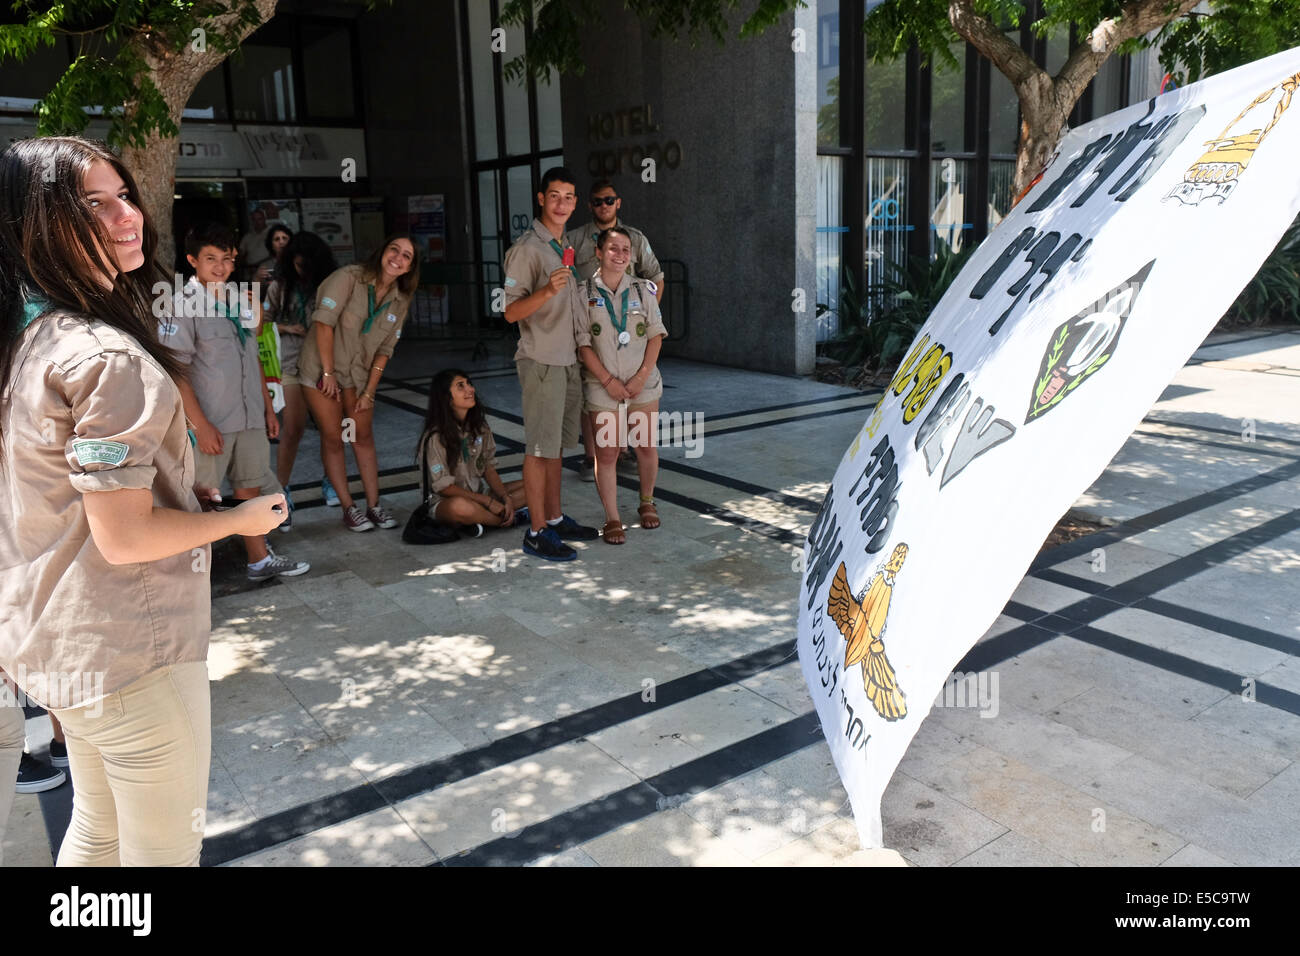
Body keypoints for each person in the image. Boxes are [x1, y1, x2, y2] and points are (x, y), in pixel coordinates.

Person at [0, 135, 286, 866]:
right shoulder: (103, 354)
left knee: (97, 830)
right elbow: (123, 539)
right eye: (92, 204)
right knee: (160, 856)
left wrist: (175, 488)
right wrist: (240, 521)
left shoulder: (32, 339)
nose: (126, 216)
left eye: (123, 194)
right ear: (36, 223)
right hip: (131, 650)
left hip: (59, 647)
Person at [160, 222, 309, 582]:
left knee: (250, 487)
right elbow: (175, 371)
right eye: (211, 259)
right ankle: (193, 575)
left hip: (249, 415)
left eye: (226, 259)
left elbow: (252, 353)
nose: (220, 267)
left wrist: (266, 407)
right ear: (193, 260)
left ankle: (258, 560)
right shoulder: (181, 305)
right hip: (210, 421)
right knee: (203, 498)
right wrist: (201, 424)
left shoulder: (237, 299)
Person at [503, 166, 600, 561]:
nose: (562, 203)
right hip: (541, 360)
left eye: (569, 197)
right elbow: (510, 312)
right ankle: (537, 530)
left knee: (558, 448)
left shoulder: (565, 247)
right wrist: (545, 290)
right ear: (541, 199)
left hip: (567, 361)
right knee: (539, 449)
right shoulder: (528, 248)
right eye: (555, 195)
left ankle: (556, 519)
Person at [297, 234, 419, 532]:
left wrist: (370, 391)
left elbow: (384, 350)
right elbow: (323, 323)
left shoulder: (400, 299)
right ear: (381, 250)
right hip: (321, 371)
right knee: (335, 438)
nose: (398, 258)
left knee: (362, 437)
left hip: (358, 376)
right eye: (394, 249)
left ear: (410, 267)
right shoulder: (348, 278)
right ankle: (349, 507)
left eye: (407, 256)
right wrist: (328, 374)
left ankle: (374, 505)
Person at [565, 179, 665, 483]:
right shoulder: (572, 240)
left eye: (609, 200)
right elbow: (564, 279)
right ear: (589, 205)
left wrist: (644, 319)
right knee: (594, 391)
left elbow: (656, 277)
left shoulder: (635, 238)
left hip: (630, 330)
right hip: (591, 327)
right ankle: (593, 455)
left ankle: (622, 452)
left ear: (618, 202)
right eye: (597, 201)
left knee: (634, 395)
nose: (603, 206)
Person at [574, 226, 667, 543]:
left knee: (644, 446)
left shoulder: (644, 290)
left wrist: (641, 377)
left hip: (644, 384)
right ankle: (612, 517)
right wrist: (608, 381)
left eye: (626, 249)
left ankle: (646, 502)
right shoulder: (583, 292)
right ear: (598, 253)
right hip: (603, 387)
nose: (621, 255)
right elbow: (583, 344)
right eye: (613, 248)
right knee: (608, 452)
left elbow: (655, 335)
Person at [263, 232, 338, 523]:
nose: (302, 271)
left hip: (323, 366)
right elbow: (263, 327)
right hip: (291, 364)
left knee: (329, 429)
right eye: (297, 264)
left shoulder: (329, 287)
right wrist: (289, 329)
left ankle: (331, 480)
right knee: (292, 428)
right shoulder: (279, 288)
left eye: (306, 265)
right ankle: (281, 490)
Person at [417, 368, 526, 535]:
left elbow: (487, 467)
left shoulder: (479, 427)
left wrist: (505, 498)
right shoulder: (435, 436)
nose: (470, 389)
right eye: (461, 386)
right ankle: (503, 520)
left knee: (535, 486)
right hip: (446, 502)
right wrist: (488, 502)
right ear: (447, 398)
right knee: (461, 507)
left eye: (469, 384)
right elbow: (444, 488)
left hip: (478, 496)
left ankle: (480, 521)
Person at [238, 206, 272, 281]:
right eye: (254, 219)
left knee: (269, 292)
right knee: (253, 292)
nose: (257, 222)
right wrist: (247, 267)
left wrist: (256, 265)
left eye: (259, 219)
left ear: (264, 219)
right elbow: (240, 256)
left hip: (268, 275)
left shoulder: (272, 233)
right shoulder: (247, 237)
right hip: (251, 276)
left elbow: (277, 253)